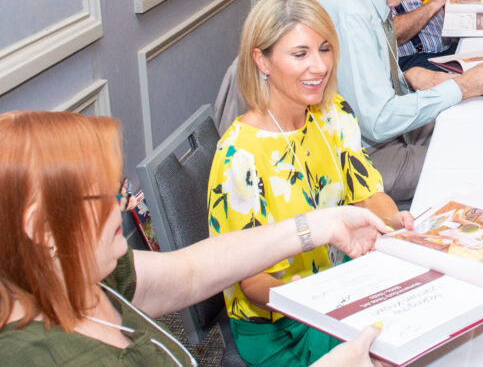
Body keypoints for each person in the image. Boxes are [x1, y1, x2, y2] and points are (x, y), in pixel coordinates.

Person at [0, 110, 388, 366]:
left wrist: (319, 225)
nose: (123, 204)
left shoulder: (73, 274)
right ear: (42, 227)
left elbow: (192, 271)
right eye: (102, 194)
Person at [208, 0, 412, 365]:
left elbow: (367, 193)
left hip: (339, 284)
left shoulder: (332, 114)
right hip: (282, 321)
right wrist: (313, 301)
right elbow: (250, 281)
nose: (319, 66)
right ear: (262, 60)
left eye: (324, 49)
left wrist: (394, 221)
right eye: (300, 54)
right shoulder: (240, 155)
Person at [317, 0, 483, 200]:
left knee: (475, 123)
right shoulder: (354, 15)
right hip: (355, 160)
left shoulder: (365, 0)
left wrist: (408, 77)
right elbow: (378, 122)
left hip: (370, 136)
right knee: (475, 157)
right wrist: (461, 86)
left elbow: (364, 89)